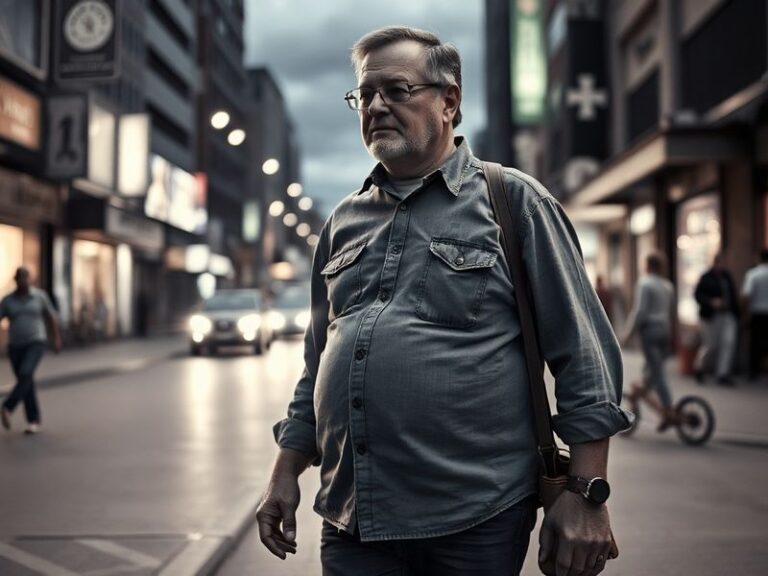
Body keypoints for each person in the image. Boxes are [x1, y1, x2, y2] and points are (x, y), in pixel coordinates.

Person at [256, 26, 631, 576]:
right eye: (365, 95)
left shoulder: (514, 201)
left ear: (450, 100)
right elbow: (316, 365)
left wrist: (587, 495)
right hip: (351, 519)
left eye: (398, 90)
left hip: (474, 520)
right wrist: (284, 471)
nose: (377, 106)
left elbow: (585, 358)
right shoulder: (341, 223)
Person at [0, 267, 62, 434]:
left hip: (36, 342)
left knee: (26, 374)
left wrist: (56, 338)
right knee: (25, 380)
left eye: (26, 278)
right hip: (15, 346)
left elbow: (52, 317)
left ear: (30, 279)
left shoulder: (40, 296)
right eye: (20, 279)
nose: (23, 282)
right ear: (16, 280)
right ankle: (33, 420)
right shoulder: (8, 301)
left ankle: (7, 406)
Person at [621, 252, 676, 431]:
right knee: (652, 369)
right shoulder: (668, 286)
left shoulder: (645, 284)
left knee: (657, 372)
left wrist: (628, 333)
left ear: (647, 265)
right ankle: (647, 396)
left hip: (650, 331)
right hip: (665, 330)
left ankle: (668, 410)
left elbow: (640, 312)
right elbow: (671, 313)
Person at [693, 253, 739, 385]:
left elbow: (733, 295)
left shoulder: (727, 276)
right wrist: (711, 301)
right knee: (710, 345)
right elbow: (697, 295)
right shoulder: (706, 277)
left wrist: (737, 314)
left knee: (728, 343)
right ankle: (699, 367)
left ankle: (722, 373)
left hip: (728, 314)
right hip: (711, 316)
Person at [742, 249, 768, 380]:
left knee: (755, 343)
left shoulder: (753, 274)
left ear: (758, 258)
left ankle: (754, 371)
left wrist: (745, 314)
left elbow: (746, 295)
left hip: (757, 313)